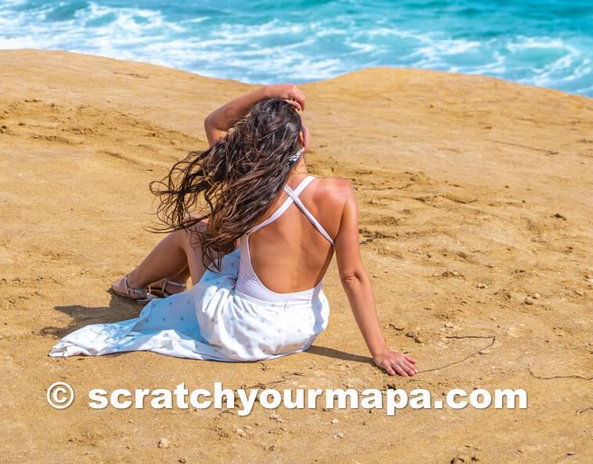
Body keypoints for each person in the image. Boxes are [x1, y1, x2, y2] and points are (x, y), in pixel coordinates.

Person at [49, 83, 418, 376]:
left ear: (254, 145)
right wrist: (380, 350)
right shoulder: (338, 193)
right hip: (302, 330)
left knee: (194, 230)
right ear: (302, 141)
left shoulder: (248, 182)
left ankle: (132, 284)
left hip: (242, 331)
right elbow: (352, 276)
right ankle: (169, 285)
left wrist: (266, 92)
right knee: (218, 237)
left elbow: (215, 122)